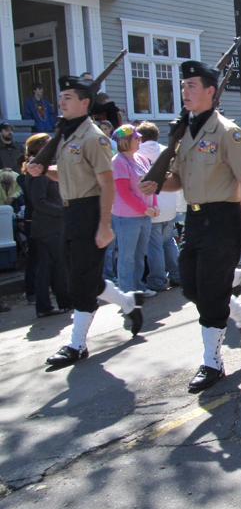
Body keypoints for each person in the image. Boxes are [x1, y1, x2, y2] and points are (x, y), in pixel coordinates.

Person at [138, 61, 241, 392]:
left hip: (222, 218)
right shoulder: (185, 133)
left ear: (211, 91)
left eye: (192, 86)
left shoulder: (227, 132)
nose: (185, 91)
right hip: (193, 220)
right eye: (183, 86)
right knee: (192, 287)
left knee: (208, 291)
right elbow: (178, 179)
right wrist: (157, 183)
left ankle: (212, 362)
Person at [26, 76, 145, 367]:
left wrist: (104, 225)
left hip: (91, 211)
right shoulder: (65, 136)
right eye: (61, 96)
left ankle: (77, 343)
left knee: (81, 281)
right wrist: (41, 170)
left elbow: (107, 184)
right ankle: (127, 302)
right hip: (70, 212)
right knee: (78, 275)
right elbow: (67, 175)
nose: (62, 101)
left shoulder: (94, 138)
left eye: (68, 97)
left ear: (84, 103)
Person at [25, 134, 71, 317]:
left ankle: (49, 304)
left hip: (51, 225)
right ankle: (60, 302)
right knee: (53, 266)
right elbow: (39, 202)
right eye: (48, 144)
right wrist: (63, 211)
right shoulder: (37, 171)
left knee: (48, 266)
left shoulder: (42, 168)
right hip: (47, 226)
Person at [111, 125, 159, 297]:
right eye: (136, 138)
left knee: (140, 255)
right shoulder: (118, 161)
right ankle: (126, 292)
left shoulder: (141, 158)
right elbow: (124, 192)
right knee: (127, 256)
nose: (139, 139)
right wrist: (145, 209)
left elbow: (150, 183)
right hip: (127, 217)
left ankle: (138, 286)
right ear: (125, 141)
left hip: (144, 214)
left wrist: (154, 205)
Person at [136, 121, 181, 291]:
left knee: (154, 246)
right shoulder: (165, 151)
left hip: (152, 205)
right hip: (170, 204)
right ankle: (177, 275)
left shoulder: (137, 154)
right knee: (168, 241)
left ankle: (157, 280)